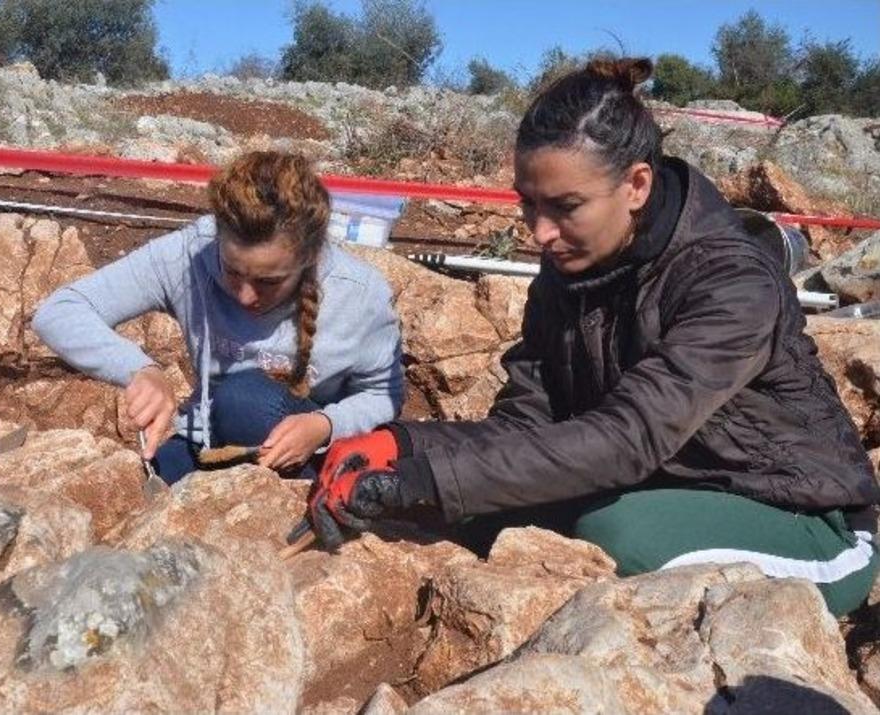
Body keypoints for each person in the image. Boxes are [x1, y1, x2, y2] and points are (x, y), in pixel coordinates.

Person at [306, 58, 880, 616]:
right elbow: (523, 425)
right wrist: (403, 444)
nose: (541, 232)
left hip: (807, 524)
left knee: (612, 534)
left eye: (566, 207)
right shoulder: (572, 271)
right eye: (529, 205)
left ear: (636, 185)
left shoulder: (731, 283)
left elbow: (629, 438)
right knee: (483, 513)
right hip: (668, 486)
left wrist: (427, 480)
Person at [33, 151, 404, 484]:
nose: (244, 295)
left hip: (308, 452)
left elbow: (383, 395)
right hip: (210, 440)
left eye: (268, 281)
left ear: (310, 257)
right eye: (231, 271)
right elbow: (60, 312)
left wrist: (324, 426)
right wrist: (139, 370)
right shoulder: (188, 255)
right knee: (141, 490)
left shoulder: (359, 293)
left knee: (245, 399)